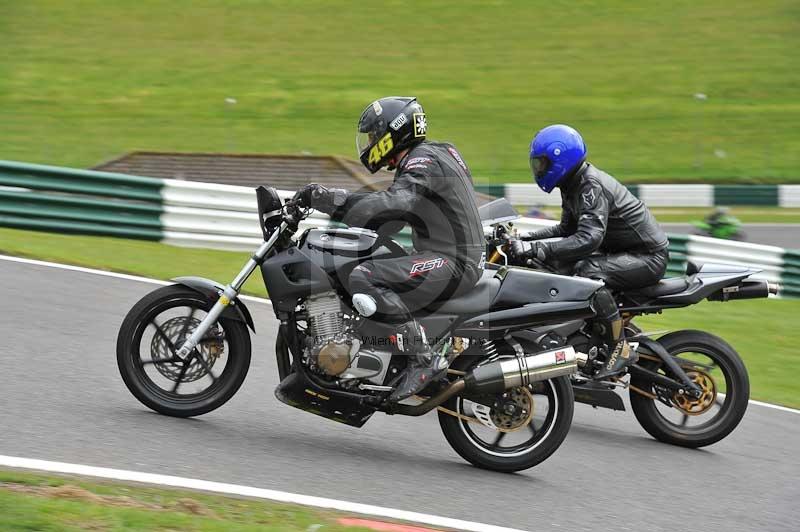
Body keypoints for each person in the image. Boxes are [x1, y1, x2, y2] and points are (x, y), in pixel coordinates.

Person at [295, 97, 485, 401]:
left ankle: (421, 357)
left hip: (453, 261)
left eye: (373, 136)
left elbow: (396, 204)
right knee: (368, 261)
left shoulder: (423, 161)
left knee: (365, 275)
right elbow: (394, 219)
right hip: (453, 256)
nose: (370, 144)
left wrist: (331, 200)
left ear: (392, 133)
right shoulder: (437, 153)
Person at [510, 124, 669, 379]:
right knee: (560, 268)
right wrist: (524, 238)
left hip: (647, 257)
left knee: (586, 270)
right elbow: (566, 229)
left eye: (542, 164)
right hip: (623, 253)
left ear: (561, 159)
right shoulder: (572, 184)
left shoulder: (590, 186)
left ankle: (620, 348)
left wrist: (536, 249)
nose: (538, 169)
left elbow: (589, 239)